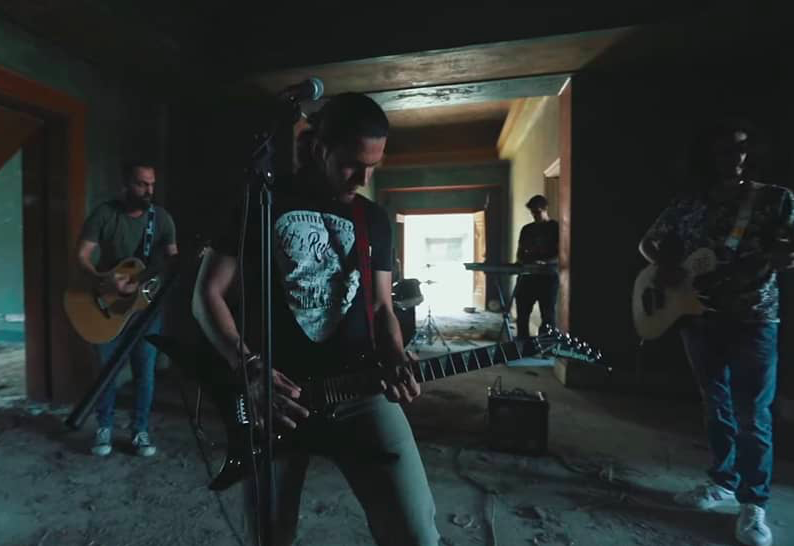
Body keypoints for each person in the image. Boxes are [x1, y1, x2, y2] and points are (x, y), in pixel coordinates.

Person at [192, 92, 440, 546]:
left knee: (416, 533)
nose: (363, 179)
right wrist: (250, 369)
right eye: (352, 165)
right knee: (271, 537)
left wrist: (395, 352)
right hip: (279, 399)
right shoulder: (261, 201)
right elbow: (206, 295)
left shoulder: (373, 219)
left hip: (361, 389)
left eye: (374, 166)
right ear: (320, 148)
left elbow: (382, 307)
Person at [638, 119, 794, 546]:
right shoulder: (689, 203)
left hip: (753, 318)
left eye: (742, 147)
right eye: (725, 149)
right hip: (698, 317)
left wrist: (783, 256)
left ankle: (753, 503)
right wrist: (667, 267)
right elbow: (649, 243)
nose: (735, 157)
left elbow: (787, 251)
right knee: (715, 404)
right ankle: (723, 481)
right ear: (707, 155)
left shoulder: (775, 200)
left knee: (753, 413)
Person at [76, 161, 178, 457]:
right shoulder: (105, 214)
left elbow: (173, 258)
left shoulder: (161, 219)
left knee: (145, 372)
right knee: (107, 371)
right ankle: (104, 428)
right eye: (142, 184)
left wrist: (161, 271)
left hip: (146, 308)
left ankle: (140, 430)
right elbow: (82, 255)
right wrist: (103, 278)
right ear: (126, 184)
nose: (149, 190)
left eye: (152, 184)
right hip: (108, 306)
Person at [514, 194, 559, 338]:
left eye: (537, 212)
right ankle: (523, 344)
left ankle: (546, 345)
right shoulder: (527, 229)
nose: (535, 215)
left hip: (548, 276)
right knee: (522, 313)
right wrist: (523, 263)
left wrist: (546, 262)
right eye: (532, 212)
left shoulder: (556, 228)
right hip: (528, 276)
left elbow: (563, 254)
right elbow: (520, 253)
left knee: (547, 315)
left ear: (545, 209)